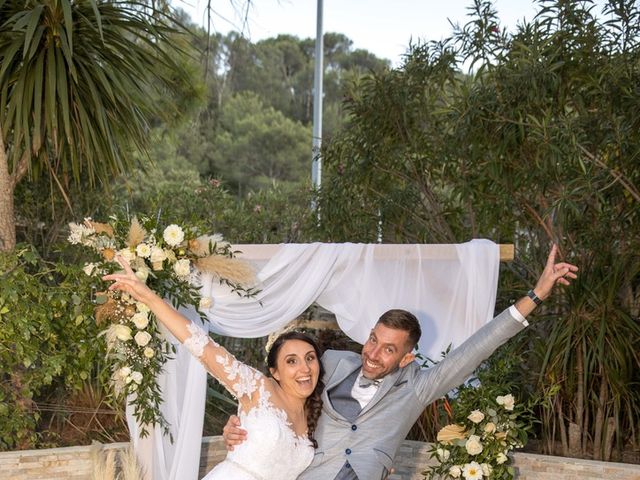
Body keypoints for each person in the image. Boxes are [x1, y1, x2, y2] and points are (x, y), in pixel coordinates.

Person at [223, 244, 578, 480]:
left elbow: (477, 348)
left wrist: (536, 294)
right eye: (373, 340)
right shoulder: (330, 363)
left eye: (388, 349)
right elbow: (279, 392)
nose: (373, 353)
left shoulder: (417, 387)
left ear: (407, 356)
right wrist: (242, 424)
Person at [104, 257, 326, 480]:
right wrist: (148, 297)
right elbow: (204, 348)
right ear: (274, 371)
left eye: (310, 358)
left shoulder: (316, 412)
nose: (304, 368)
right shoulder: (259, 388)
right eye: (291, 361)